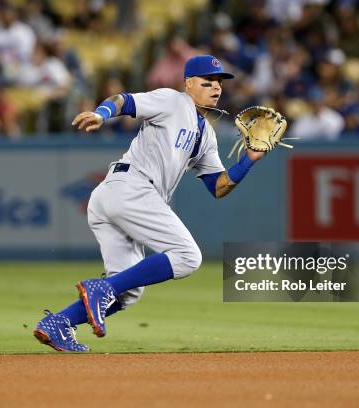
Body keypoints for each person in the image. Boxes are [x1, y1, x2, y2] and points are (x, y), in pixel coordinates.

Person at [33, 55, 268, 352]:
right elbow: (124, 100)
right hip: (130, 187)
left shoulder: (206, 134)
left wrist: (249, 160)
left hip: (119, 196)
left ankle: (59, 323)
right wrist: (101, 114)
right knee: (187, 256)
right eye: (207, 82)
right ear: (188, 84)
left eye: (219, 82)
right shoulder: (172, 101)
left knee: (127, 293)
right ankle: (101, 287)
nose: (215, 88)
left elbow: (219, 187)